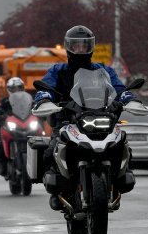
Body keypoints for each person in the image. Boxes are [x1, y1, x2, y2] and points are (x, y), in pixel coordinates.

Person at [33, 25, 141, 210]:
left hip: (100, 116)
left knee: (122, 144)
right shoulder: (59, 70)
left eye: (84, 45)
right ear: (69, 47)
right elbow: (46, 87)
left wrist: (127, 98)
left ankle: (119, 180)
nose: (80, 49)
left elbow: (118, 87)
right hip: (67, 119)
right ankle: (57, 191)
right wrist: (44, 98)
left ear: (91, 46)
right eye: (76, 46)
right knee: (51, 150)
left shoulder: (103, 70)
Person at [0, 77, 26, 176]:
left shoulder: (27, 100)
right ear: (9, 89)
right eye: (14, 89)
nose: (16, 91)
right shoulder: (5, 101)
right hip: (9, 126)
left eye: (19, 88)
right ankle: (3, 165)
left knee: (40, 138)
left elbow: (33, 107)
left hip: (24, 126)